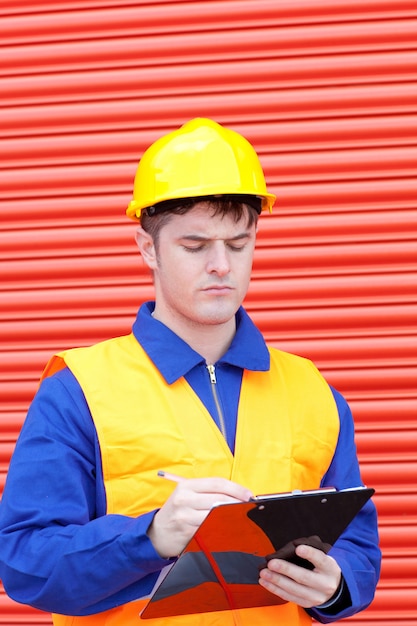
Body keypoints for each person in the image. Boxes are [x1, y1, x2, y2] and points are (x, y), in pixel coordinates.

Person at [0, 118, 380, 626]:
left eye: (239, 244)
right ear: (147, 248)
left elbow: (357, 544)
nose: (221, 265)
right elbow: (25, 561)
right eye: (196, 246)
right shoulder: (78, 390)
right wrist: (151, 536)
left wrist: (335, 585)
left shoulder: (313, 392)